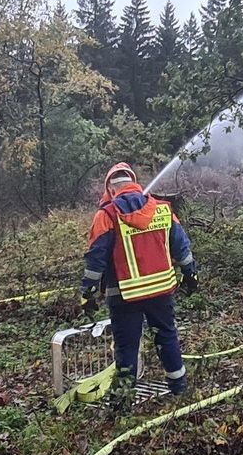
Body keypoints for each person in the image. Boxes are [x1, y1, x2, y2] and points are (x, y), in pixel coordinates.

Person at [81, 163, 198, 395]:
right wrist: (190, 273)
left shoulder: (106, 215)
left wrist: (88, 292)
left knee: (127, 348)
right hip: (161, 292)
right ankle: (179, 390)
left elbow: (96, 259)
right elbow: (182, 246)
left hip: (125, 296)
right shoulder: (163, 210)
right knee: (167, 337)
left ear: (111, 190)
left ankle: (123, 402)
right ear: (135, 184)